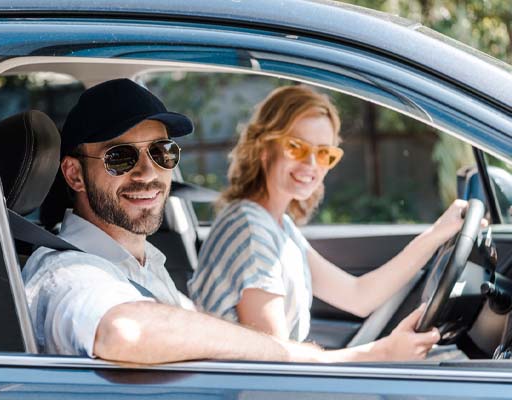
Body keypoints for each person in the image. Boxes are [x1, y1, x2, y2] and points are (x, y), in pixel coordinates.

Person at [23, 79, 440, 365]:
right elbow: (125, 331)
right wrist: (290, 352)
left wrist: (372, 356)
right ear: (75, 174)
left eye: (162, 153)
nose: (148, 173)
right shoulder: (66, 273)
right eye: (120, 156)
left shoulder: (145, 263)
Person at [189, 85, 466, 346]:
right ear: (264, 149)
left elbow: (359, 296)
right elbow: (275, 365)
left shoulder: (277, 225)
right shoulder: (250, 234)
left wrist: (437, 234)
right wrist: (382, 354)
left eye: (324, 153)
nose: (311, 164)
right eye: (296, 147)